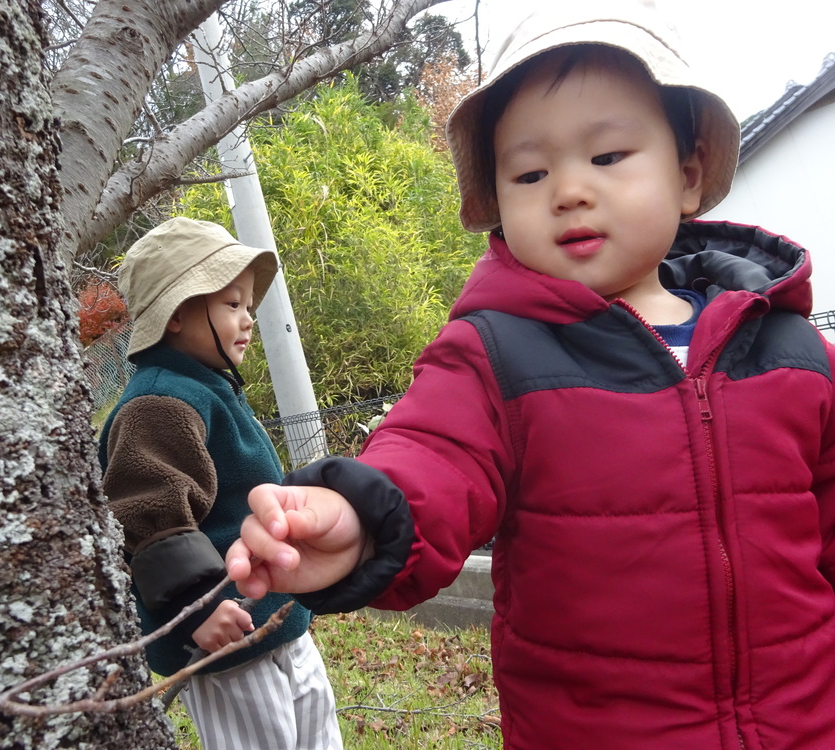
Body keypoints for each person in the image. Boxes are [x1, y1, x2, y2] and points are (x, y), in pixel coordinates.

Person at [225, 2, 835, 748]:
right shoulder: (495, 355)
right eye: (530, 171)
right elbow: (432, 457)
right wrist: (360, 518)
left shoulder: (789, 348)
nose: (569, 190)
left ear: (687, 175)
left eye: (607, 157)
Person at [98, 217, 343, 750]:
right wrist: (197, 611)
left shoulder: (209, 391)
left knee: (317, 735)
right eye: (231, 304)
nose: (249, 319)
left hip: (273, 617)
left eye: (249, 306)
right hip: (219, 634)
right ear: (178, 314)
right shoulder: (160, 402)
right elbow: (148, 514)